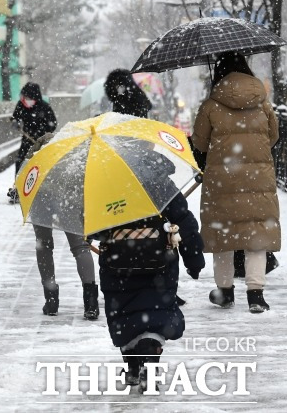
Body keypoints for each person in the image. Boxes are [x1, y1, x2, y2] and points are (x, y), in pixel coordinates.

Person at [90, 152, 204, 392]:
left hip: (117, 264)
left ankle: (132, 365)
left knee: (123, 313)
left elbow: (93, 227)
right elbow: (185, 222)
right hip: (159, 262)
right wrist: (194, 260)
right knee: (157, 311)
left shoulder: (106, 185)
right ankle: (151, 350)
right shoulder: (162, 185)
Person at [192, 51, 281, 313]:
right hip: (258, 177)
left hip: (222, 178)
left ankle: (225, 291)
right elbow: (273, 136)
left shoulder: (211, 104)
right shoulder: (262, 101)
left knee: (224, 234)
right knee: (257, 233)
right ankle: (256, 294)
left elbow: (199, 142)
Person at [7, 82, 57, 204]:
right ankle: (18, 189)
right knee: (21, 162)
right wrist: (15, 122)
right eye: (25, 97)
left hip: (40, 142)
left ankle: (38, 190)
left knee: (39, 166)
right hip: (26, 140)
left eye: (28, 98)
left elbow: (53, 124)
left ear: (35, 97)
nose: (26, 100)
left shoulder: (44, 107)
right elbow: (15, 116)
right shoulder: (22, 105)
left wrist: (41, 132)